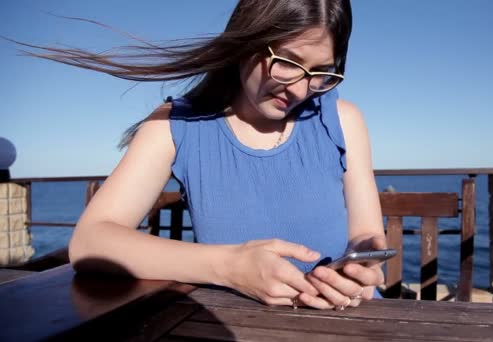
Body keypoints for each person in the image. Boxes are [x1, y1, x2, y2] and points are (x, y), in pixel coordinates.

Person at [26, 0, 386, 310]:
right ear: (247, 41)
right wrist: (229, 266)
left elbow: (366, 234)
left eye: (320, 71)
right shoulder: (176, 124)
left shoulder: (342, 119)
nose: (300, 88)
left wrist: (363, 269)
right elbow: (91, 241)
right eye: (288, 61)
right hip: (233, 323)